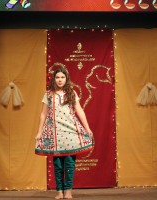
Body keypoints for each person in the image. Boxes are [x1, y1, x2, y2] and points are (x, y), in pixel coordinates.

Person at [35, 67, 93, 199]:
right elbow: (43, 114)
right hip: (55, 133)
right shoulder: (49, 94)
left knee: (69, 163)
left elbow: (79, 110)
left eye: (62, 77)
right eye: (57, 77)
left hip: (70, 131)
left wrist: (87, 128)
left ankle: (68, 191)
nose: (60, 80)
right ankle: (59, 191)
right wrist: (39, 132)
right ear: (54, 79)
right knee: (58, 164)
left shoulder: (71, 92)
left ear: (66, 79)